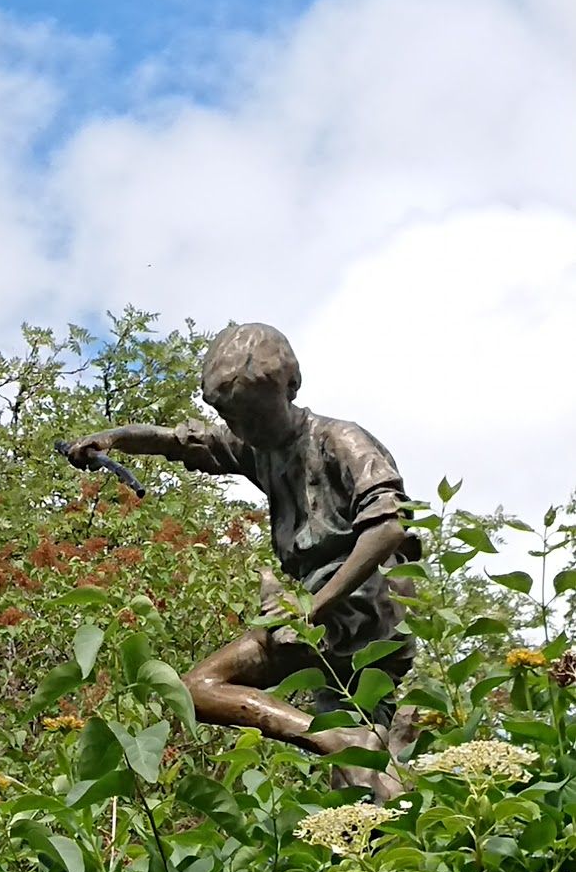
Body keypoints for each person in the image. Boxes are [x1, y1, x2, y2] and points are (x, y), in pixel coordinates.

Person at [65, 322, 420, 799]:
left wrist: (312, 608)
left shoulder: (342, 440)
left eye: (252, 416)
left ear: (291, 388)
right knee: (363, 776)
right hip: (317, 617)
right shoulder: (258, 447)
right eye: (233, 419)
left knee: (197, 685)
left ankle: (338, 741)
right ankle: (353, 752)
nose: (243, 430)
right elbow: (179, 441)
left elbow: (388, 529)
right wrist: (111, 439)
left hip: (361, 610)